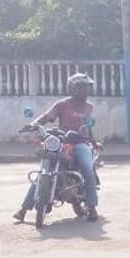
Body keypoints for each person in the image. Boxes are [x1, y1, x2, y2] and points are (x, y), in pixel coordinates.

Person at [19, 72, 101, 222]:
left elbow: (88, 127)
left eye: (87, 88)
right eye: (82, 88)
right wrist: (33, 125)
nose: (86, 91)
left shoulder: (89, 107)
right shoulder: (62, 104)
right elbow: (46, 117)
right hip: (62, 142)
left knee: (87, 167)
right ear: (72, 89)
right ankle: (24, 208)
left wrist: (93, 142)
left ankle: (92, 206)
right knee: (44, 169)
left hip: (80, 142)